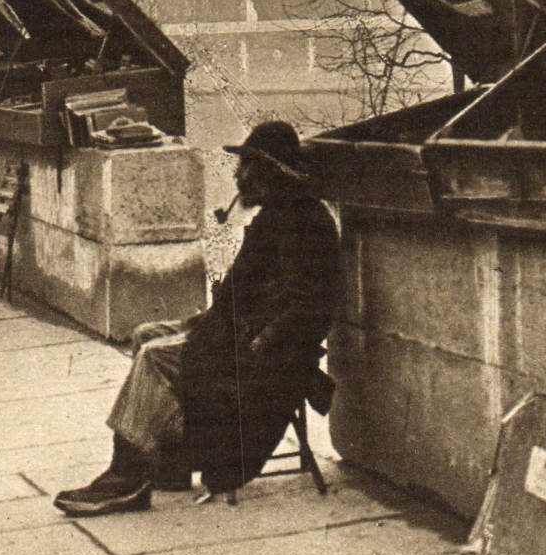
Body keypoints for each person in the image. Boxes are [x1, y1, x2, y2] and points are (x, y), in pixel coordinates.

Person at [54, 121, 340, 516]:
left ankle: (127, 478)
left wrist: (255, 336)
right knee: (146, 334)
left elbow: (306, 306)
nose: (238, 174)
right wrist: (211, 319)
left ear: (269, 169)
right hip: (240, 332)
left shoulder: (302, 223)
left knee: (156, 358)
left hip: (267, 354)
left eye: (247, 166)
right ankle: (167, 464)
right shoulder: (281, 213)